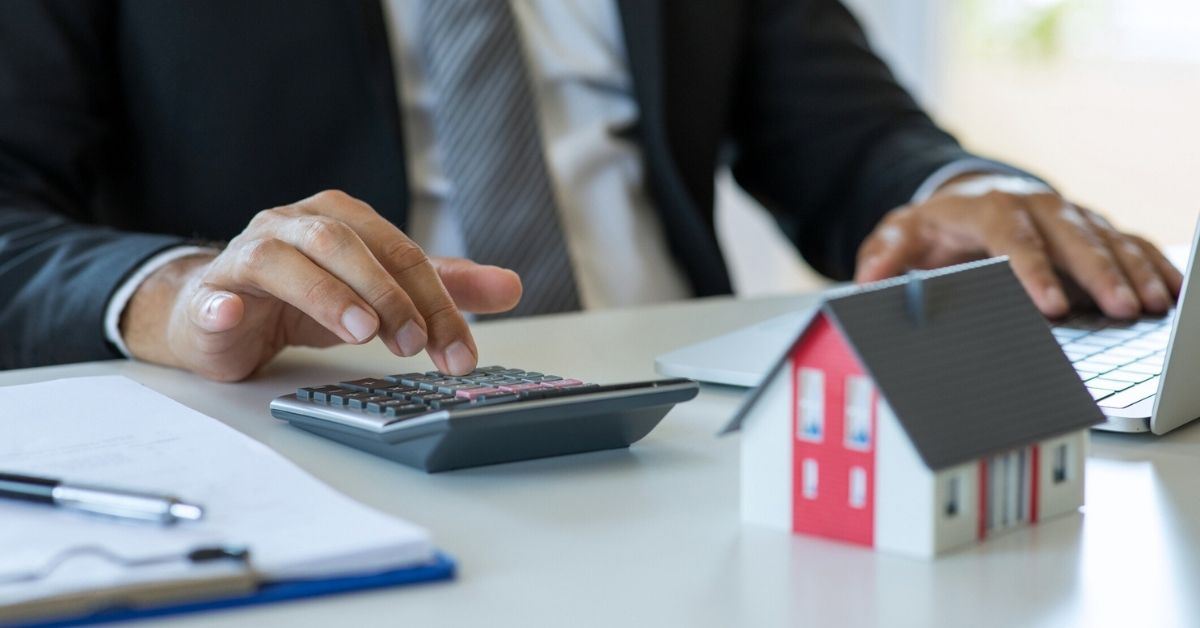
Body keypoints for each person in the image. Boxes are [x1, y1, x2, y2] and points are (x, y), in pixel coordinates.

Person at [0, 0, 1181, 380]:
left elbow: (852, 141)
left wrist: (959, 192)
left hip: (684, 422)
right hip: (322, 433)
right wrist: (178, 295)